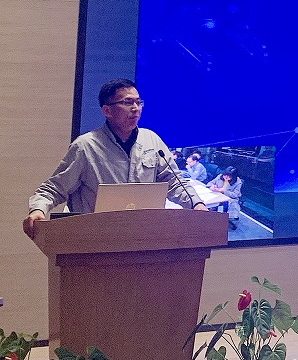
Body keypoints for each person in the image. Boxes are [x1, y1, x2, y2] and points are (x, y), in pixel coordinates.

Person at [23, 77, 208, 239]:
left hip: (145, 238)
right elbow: (54, 188)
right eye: (127, 102)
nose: (135, 109)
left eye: (138, 102)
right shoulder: (86, 146)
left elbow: (174, 182)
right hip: (94, 240)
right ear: (107, 110)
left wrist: (196, 203)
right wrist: (38, 210)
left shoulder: (152, 140)